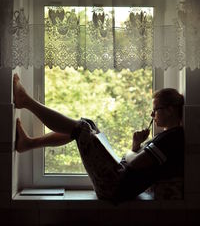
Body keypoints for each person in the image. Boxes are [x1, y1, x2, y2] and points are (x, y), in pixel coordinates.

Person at [13, 73, 184, 202]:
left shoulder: (172, 138)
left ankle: (26, 101)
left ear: (170, 109)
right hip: (116, 181)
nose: (152, 114)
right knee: (87, 124)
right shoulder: (167, 136)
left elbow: (134, 162)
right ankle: (27, 143)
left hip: (114, 187)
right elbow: (139, 164)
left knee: (83, 128)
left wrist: (129, 153)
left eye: (156, 110)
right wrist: (135, 145)